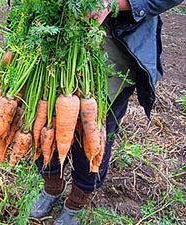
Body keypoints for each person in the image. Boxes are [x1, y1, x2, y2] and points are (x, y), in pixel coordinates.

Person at [28, 1, 184, 225]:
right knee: (45, 123)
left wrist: (113, 3)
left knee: (93, 134)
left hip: (114, 50)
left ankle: (76, 202)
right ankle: (51, 187)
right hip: (52, 44)